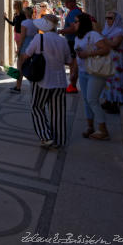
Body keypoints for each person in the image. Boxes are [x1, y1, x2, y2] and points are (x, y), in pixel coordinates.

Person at [21, 14, 71, 148]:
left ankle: (46, 136)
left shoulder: (39, 38)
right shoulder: (62, 41)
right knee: (58, 111)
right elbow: (68, 61)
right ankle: (59, 140)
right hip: (60, 81)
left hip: (43, 79)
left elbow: (27, 54)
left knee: (36, 106)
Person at [74, 12, 112, 140]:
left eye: (76, 21)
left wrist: (88, 53)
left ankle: (103, 129)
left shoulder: (93, 35)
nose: (73, 24)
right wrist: (74, 71)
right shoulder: (77, 37)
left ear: (83, 23)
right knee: (86, 100)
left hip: (95, 72)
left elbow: (105, 49)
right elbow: (77, 55)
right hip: (83, 72)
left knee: (92, 99)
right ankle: (90, 126)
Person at [100, 10, 123, 113]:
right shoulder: (106, 30)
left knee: (116, 81)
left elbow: (114, 44)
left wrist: (102, 38)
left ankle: (115, 103)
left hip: (116, 60)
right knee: (107, 81)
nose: (108, 20)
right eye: (106, 18)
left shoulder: (119, 31)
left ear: (116, 20)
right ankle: (108, 100)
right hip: (106, 59)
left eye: (110, 18)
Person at [10, 7, 37, 94]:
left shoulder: (24, 23)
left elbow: (22, 37)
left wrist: (18, 48)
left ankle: (18, 87)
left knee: (19, 67)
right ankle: (34, 86)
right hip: (33, 45)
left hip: (25, 46)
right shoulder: (35, 22)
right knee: (30, 66)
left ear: (26, 14)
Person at [59, 0, 82, 93]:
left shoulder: (74, 13)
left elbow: (74, 28)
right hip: (72, 40)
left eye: (67, 2)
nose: (65, 4)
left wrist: (62, 31)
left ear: (72, 2)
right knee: (72, 63)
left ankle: (72, 86)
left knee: (73, 64)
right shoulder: (75, 11)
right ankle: (72, 85)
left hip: (73, 41)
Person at [4, 0, 26, 64]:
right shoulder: (15, 14)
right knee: (19, 49)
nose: (13, 5)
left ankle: (22, 62)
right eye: (14, 4)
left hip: (22, 33)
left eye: (15, 4)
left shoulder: (23, 14)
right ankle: (19, 63)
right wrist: (6, 18)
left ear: (19, 5)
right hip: (16, 33)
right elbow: (13, 24)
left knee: (21, 49)